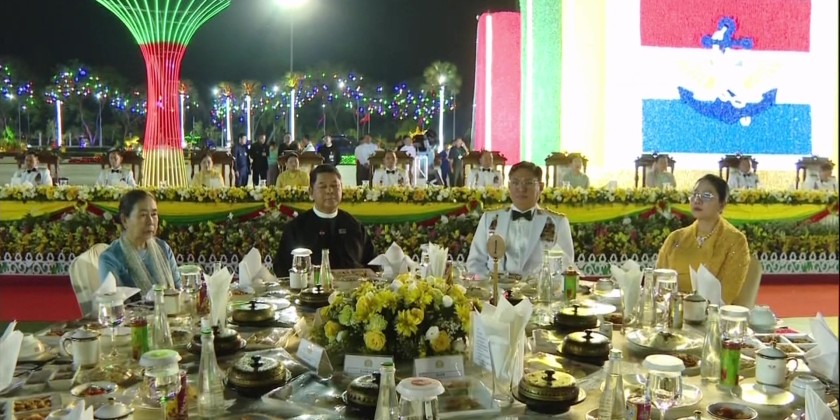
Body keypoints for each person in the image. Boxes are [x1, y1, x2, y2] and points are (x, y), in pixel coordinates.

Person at [467, 161, 575, 277]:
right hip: (496, 287)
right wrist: (490, 284)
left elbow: (564, 266)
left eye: (528, 183)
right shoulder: (490, 218)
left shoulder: (557, 222)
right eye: (515, 183)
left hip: (538, 287)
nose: (521, 189)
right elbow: (475, 262)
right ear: (509, 186)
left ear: (541, 187)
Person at [656, 174, 750, 304]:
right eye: (695, 194)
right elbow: (658, 285)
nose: (697, 200)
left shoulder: (735, 241)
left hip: (711, 313)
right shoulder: (675, 238)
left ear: (722, 205)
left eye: (706, 195)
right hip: (672, 310)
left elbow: (725, 296)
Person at [273, 165, 375, 276]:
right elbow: (282, 269)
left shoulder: (354, 226)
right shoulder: (296, 228)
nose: (329, 190)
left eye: (334, 186)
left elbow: (372, 265)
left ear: (342, 189)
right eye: (323, 186)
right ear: (311, 192)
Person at [99, 189, 181, 294]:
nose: (150, 221)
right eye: (143, 215)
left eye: (154, 214)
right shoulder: (111, 258)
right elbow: (113, 300)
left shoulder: (163, 248)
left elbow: (178, 289)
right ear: (124, 220)